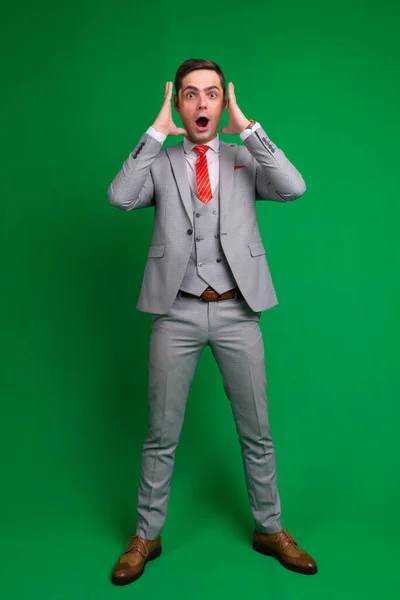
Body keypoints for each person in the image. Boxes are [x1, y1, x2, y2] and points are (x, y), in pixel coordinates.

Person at [107, 58, 317, 585]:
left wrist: (249, 126)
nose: (202, 104)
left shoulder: (247, 159)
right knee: (161, 433)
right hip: (174, 311)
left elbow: (294, 187)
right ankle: (146, 536)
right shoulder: (160, 161)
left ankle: (270, 529)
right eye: (190, 95)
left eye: (212, 94)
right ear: (177, 102)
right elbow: (119, 196)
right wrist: (155, 132)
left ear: (224, 102)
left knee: (257, 431)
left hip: (236, 311)